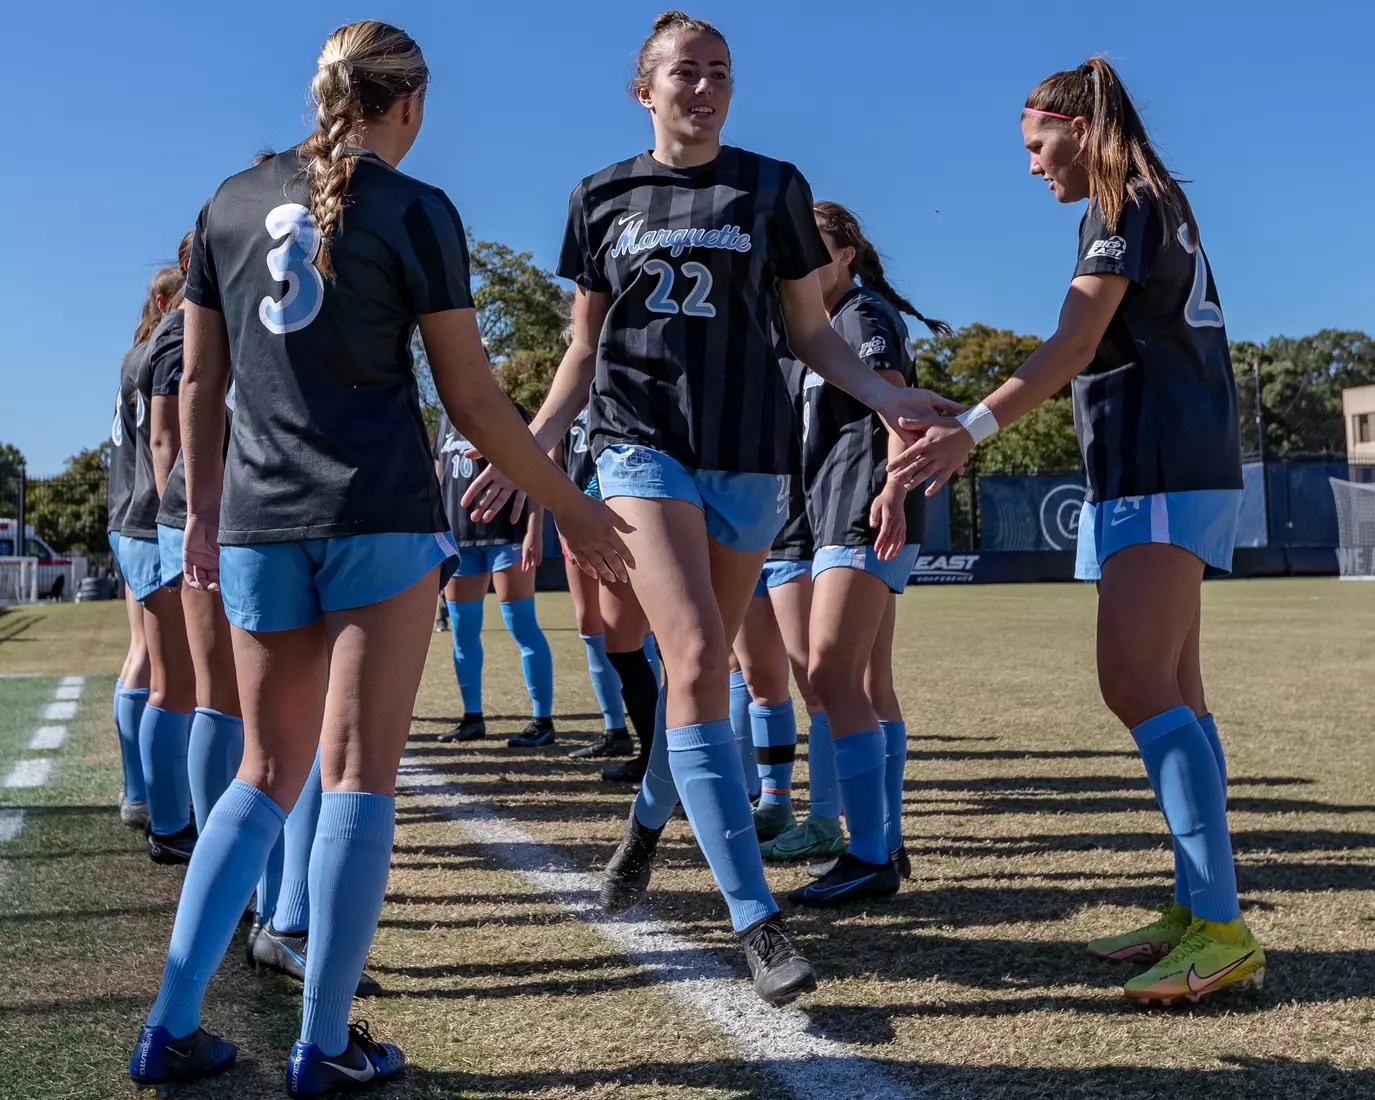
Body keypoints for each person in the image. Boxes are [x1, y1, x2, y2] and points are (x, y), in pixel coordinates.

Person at [128, 20, 630, 1094]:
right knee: (357, 775)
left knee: (263, 773)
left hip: (259, 521)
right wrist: (573, 506)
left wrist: (205, 512)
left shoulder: (224, 200)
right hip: (379, 514)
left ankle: (170, 1023)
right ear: (405, 102)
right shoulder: (414, 208)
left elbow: (198, 386)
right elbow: (472, 399)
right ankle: (323, 1042)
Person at [461, 10, 957, 1006]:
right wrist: (538, 442)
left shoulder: (773, 186)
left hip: (748, 456)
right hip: (639, 445)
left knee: (710, 664)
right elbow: (583, 346)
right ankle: (753, 916)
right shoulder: (598, 195)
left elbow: (809, 334)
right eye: (685, 72)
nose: (704, 87)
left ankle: (649, 816)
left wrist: (889, 393)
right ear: (643, 89)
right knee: (691, 659)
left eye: (719, 72)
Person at [889, 57, 1263, 1005]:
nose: (1030, 167)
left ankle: (1220, 926)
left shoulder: (1120, 199)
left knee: (1132, 681)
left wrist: (965, 432)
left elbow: (1072, 343)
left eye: (1035, 144)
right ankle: (1196, 907)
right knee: (1175, 685)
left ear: (1080, 129)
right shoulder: (1152, 196)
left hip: (1160, 467)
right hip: (1166, 464)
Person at [787, 202, 945, 907]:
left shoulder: (860, 314)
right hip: (841, 509)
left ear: (846, 252)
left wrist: (890, 486)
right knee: (868, 683)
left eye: (813, 246)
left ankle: (868, 852)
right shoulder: (813, 328)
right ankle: (883, 840)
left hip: (863, 510)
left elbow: (899, 406)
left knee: (830, 673)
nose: (799, 261)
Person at [120, 260, 200, 864]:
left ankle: (152, 800)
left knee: (158, 671)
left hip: (139, 519)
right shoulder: (175, 337)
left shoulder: (140, 347)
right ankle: (170, 822)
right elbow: (163, 441)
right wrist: (183, 513)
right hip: (155, 521)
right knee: (176, 683)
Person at [434, 402, 556, 747]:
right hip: (460, 541)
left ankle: (542, 720)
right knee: (463, 633)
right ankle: (472, 718)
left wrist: (535, 528)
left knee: (522, 627)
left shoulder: (508, 410)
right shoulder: (444, 419)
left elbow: (533, 469)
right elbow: (440, 478)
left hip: (507, 536)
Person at [557, 404, 663, 777]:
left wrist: (582, 502)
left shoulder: (627, 379)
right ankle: (652, 753)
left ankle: (668, 759)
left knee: (673, 643)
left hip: (636, 507)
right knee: (622, 643)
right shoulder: (586, 393)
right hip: (610, 508)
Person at [108, 285, 163, 829]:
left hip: (126, 517)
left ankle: (140, 788)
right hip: (148, 520)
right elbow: (164, 444)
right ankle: (151, 795)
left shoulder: (133, 359)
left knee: (143, 656)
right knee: (166, 668)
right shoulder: (161, 355)